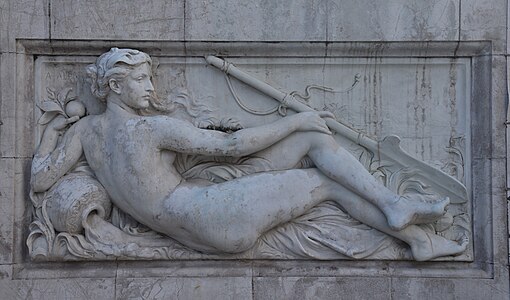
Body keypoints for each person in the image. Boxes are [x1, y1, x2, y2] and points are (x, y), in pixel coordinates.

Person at [31, 48, 467, 261]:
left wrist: (51, 132)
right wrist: (297, 118)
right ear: (115, 87)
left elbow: (40, 180)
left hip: (196, 218)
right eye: (143, 80)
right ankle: (413, 235)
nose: (151, 88)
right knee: (325, 181)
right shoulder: (151, 128)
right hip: (213, 217)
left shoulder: (85, 132)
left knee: (315, 144)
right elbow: (231, 147)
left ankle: (399, 212)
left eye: (150, 78)